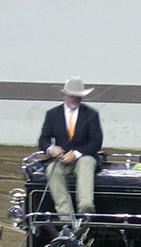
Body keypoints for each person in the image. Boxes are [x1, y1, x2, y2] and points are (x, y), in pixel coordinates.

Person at [38, 78, 103, 217]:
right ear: (64, 96)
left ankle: (86, 206)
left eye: (78, 96)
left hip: (84, 157)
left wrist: (77, 154)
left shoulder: (91, 114)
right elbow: (43, 139)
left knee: (86, 163)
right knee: (52, 170)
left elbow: (96, 142)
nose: (75, 99)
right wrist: (51, 149)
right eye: (72, 95)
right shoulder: (52, 114)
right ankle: (65, 215)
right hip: (61, 160)